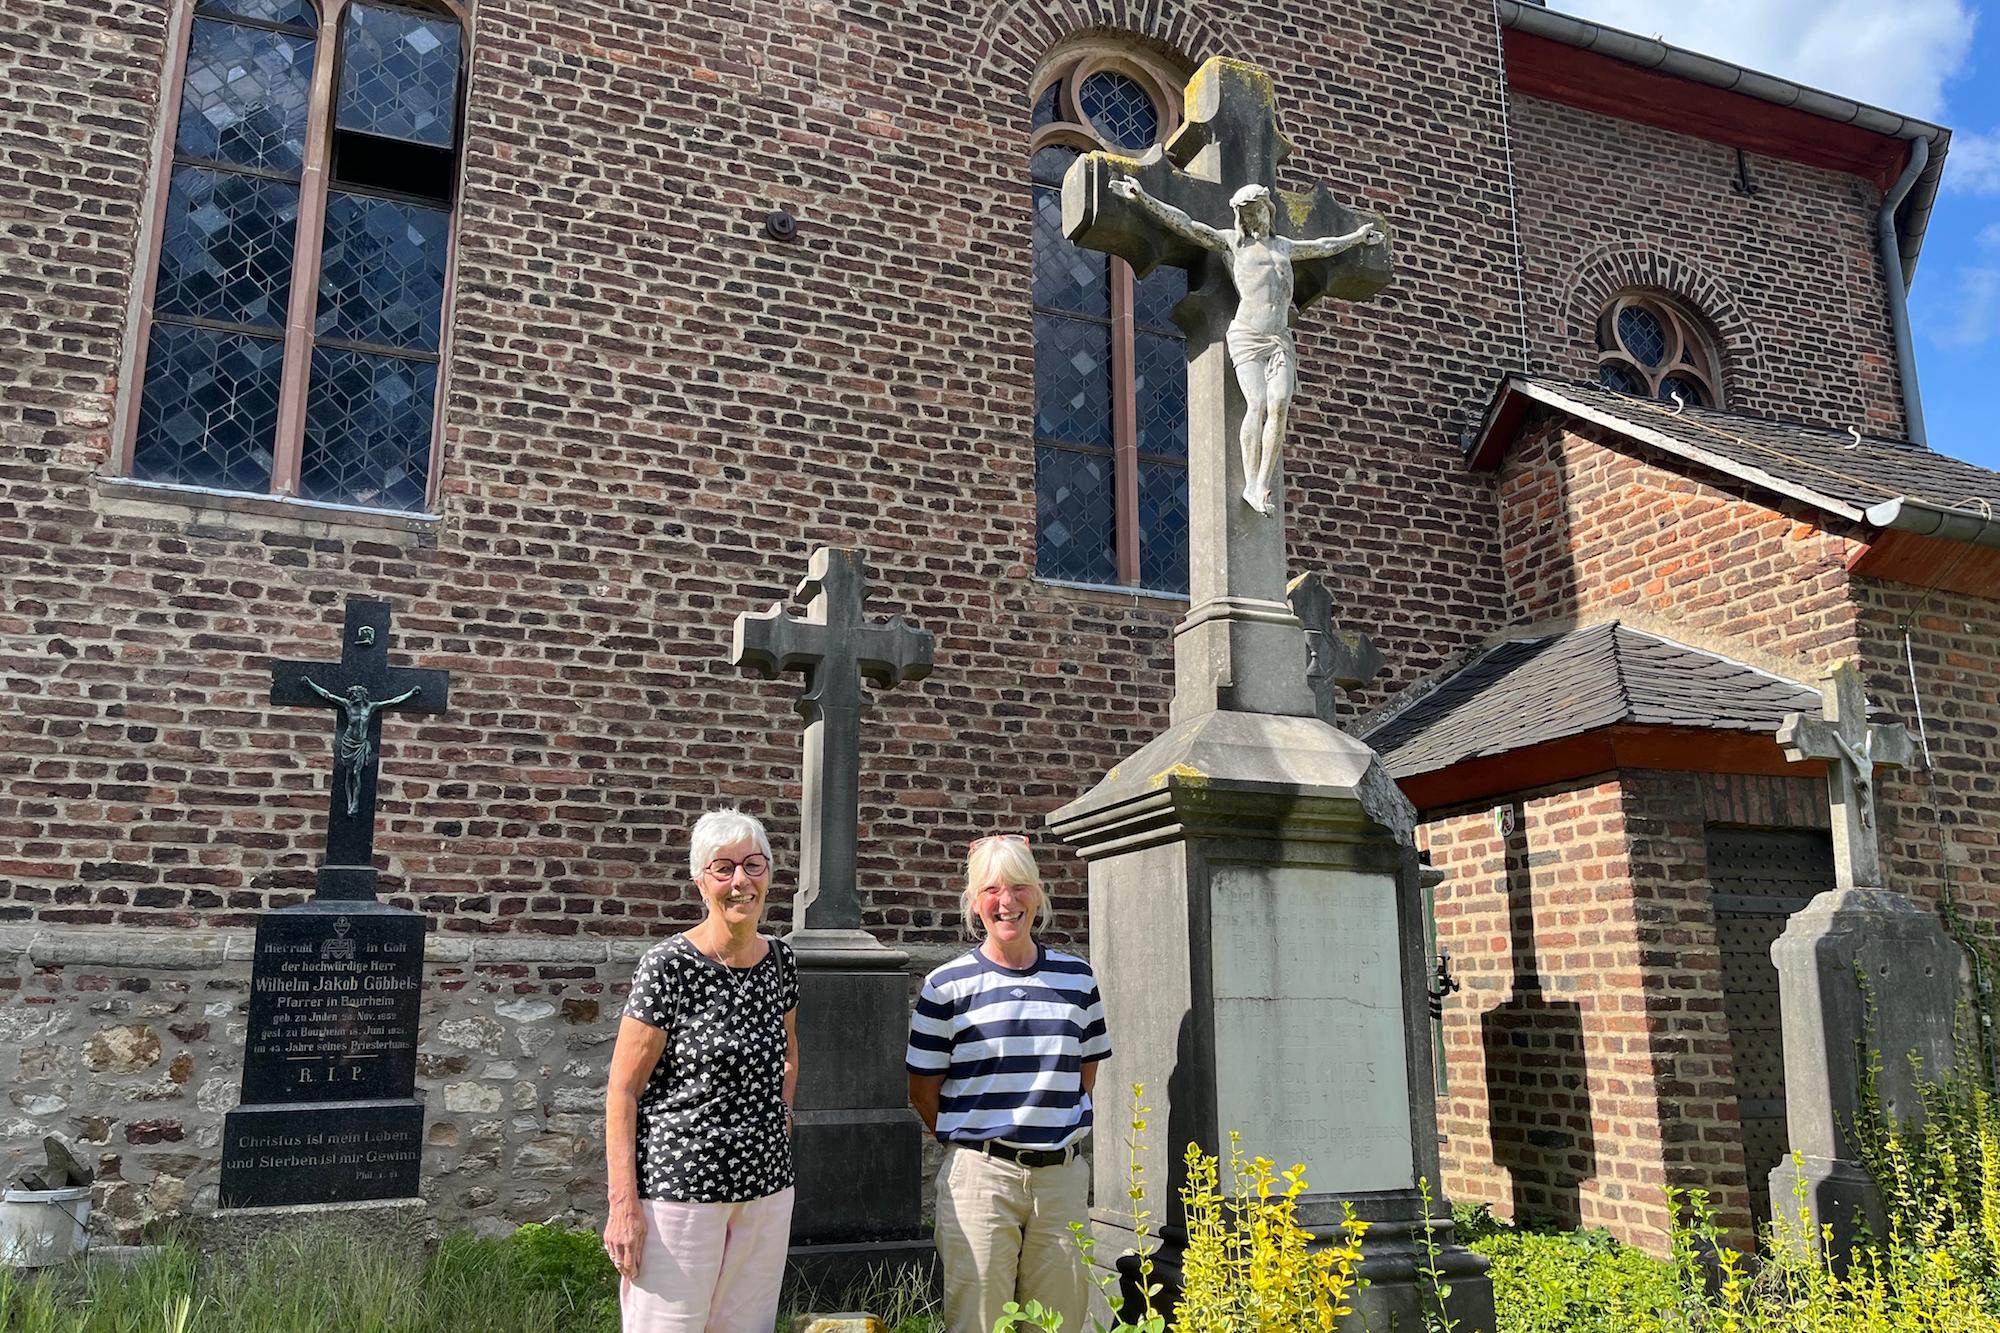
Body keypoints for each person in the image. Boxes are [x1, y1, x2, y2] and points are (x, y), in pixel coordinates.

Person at [604, 808, 800, 1332]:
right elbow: (623, 1090)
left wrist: (780, 1122)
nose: (741, 881)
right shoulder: (668, 966)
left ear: (770, 875)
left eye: (753, 865)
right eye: (723, 868)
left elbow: (788, 1050)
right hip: (680, 1193)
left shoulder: (781, 960)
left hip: (767, 1188)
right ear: (700, 881)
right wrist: (623, 1205)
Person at [907, 834, 1112, 1333]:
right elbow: (921, 1088)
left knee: (1058, 1324)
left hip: (1060, 1179)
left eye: (1020, 887)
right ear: (975, 902)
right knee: (977, 1323)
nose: (1007, 902)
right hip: (982, 1177)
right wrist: (974, 1137)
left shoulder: (1078, 979)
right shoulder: (945, 986)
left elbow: (1084, 1075)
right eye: (993, 889)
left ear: (1038, 895)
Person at [1109, 175, 1385, 515]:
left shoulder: (1284, 246)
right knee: (1256, 404)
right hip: (1247, 334)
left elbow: (1324, 246)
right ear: (1242, 218)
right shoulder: (1232, 243)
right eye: (1249, 216)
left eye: (1259, 214)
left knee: (1280, 403)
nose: (1256, 221)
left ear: (1268, 212)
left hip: (1279, 338)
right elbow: (1186, 224)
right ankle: (1251, 483)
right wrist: (1142, 197)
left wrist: (1357, 239)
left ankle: (1260, 482)